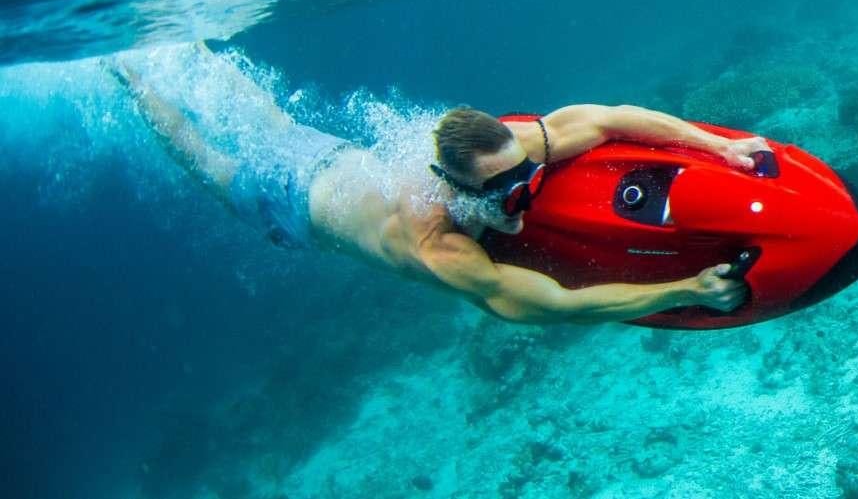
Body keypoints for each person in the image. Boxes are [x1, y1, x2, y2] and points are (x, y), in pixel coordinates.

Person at [112, 44, 761, 324]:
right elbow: (548, 305)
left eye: (527, 174)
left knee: (271, 120)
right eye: (507, 193)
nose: (527, 191)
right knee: (208, 162)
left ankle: (186, 47)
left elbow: (609, 116)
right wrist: (682, 288)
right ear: (456, 188)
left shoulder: (508, 150)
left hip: (329, 154)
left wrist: (719, 147)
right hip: (290, 203)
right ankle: (135, 81)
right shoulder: (437, 243)